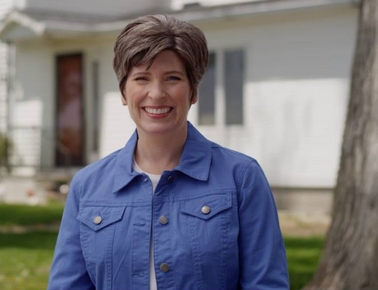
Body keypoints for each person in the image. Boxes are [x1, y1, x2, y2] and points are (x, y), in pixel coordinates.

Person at [48, 14, 289, 290]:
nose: (156, 93)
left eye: (172, 78)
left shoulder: (242, 178)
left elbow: (266, 284)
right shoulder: (87, 187)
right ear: (124, 92)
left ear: (193, 91)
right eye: (142, 78)